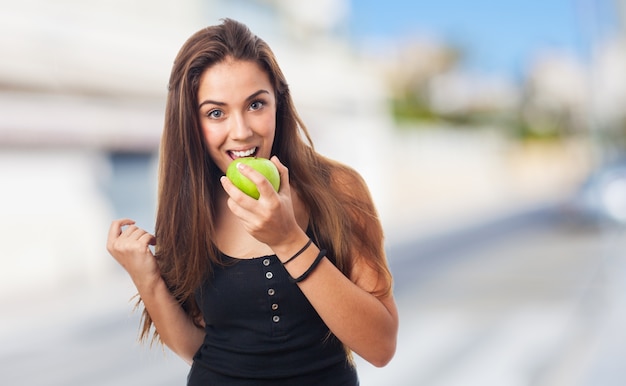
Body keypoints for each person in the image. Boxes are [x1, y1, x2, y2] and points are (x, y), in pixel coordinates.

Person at [106, 18, 398, 385]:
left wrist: (289, 240)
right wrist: (146, 279)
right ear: (190, 122)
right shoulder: (190, 202)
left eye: (256, 104)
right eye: (216, 113)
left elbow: (381, 346)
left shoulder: (337, 188)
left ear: (279, 102)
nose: (241, 131)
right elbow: (198, 348)